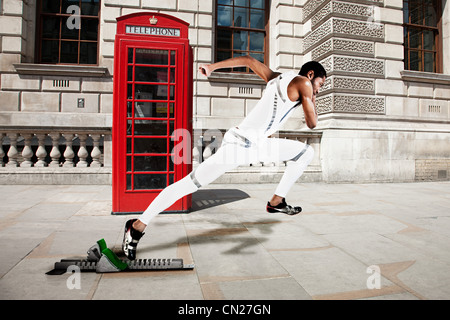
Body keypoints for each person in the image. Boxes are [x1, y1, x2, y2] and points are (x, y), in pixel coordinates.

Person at [122, 55, 327, 260]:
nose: (318, 89)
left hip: (256, 145)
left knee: (305, 152)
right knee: (189, 184)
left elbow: (248, 61)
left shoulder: (278, 77)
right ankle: (136, 227)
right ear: (310, 74)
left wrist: (212, 67)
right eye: (320, 83)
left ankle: (276, 201)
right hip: (238, 146)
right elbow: (312, 123)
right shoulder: (304, 83)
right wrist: (313, 96)